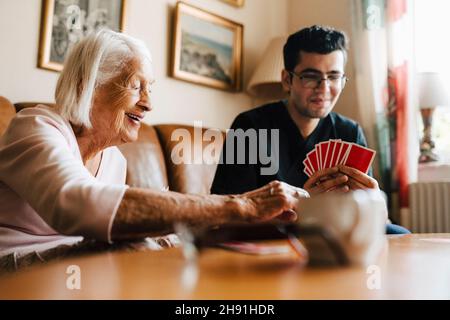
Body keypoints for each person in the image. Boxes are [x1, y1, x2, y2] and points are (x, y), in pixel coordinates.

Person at [0, 30, 309, 267]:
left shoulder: (114, 160)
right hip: (17, 267)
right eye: (136, 86)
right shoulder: (35, 126)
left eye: (149, 89)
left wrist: (229, 226)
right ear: (88, 86)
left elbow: (110, 228)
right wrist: (241, 206)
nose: (148, 103)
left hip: (80, 269)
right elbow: (74, 204)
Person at [211, 25, 409, 234]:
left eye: (333, 77)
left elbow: (370, 216)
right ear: (287, 80)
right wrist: (300, 210)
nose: (323, 88)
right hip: (275, 235)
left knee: (399, 233)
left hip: (335, 233)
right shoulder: (249, 127)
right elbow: (226, 217)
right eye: (310, 76)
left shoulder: (349, 132)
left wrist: (375, 203)